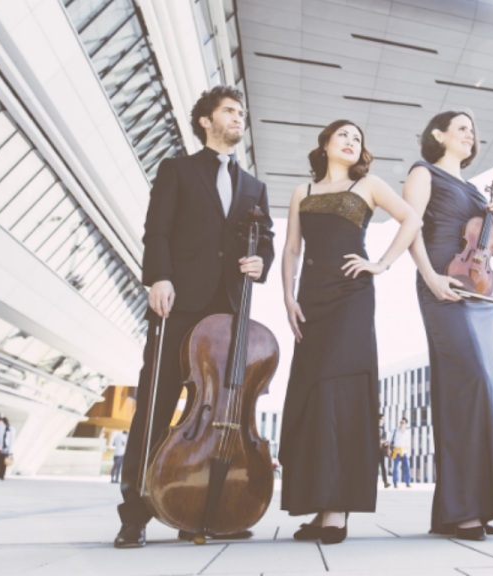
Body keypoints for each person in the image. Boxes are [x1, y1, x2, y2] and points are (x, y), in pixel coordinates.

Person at [115, 86, 275, 549]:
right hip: (180, 303)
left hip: (229, 313)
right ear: (206, 121)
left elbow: (263, 238)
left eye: (241, 111)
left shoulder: (254, 186)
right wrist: (159, 278)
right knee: (157, 405)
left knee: (219, 412)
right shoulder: (177, 170)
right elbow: (156, 230)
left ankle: (200, 510)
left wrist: (260, 261)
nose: (238, 117)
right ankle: (135, 514)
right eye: (229, 110)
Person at [403, 110, 493, 541]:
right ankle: (462, 510)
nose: (471, 135)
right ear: (439, 134)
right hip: (442, 285)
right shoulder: (422, 172)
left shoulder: (472, 189)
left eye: (473, 131)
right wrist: (430, 276)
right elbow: (411, 227)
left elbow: (483, 244)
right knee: (467, 388)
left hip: (478, 292)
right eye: (463, 128)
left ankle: (478, 506)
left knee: (489, 390)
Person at [279, 119, 421, 546]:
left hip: (351, 298)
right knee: (312, 395)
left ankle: (336, 509)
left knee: (338, 393)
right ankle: (317, 503)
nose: (351, 141)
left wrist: (381, 263)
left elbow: (411, 219)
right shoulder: (301, 192)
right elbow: (291, 249)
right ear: (325, 144)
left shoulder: (370, 185)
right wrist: (287, 298)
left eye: (358, 138)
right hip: (311, 300)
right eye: (343, 135)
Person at [390, 418, 411, 488]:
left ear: (405, 424)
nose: (401, 424)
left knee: (407, 467)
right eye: (401, 422)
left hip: (404, 452)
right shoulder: (395, 430)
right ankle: (395, 483)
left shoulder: (407, 432)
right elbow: (390, 440)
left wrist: (408, 453)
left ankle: (407, 482)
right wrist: (389, 449)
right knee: (395, 468)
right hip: (396, 451)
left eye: (403, 422)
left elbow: (408, 443)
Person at [378, 414, 390, 488]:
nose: (383, 420)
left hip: (381, 451)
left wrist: (385, 443)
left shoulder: (383, 429)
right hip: (374, 451)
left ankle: (385, 482)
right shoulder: (374, 428)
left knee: (383, 466)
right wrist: (380, 441)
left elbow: (383, 439)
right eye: (382, 419)